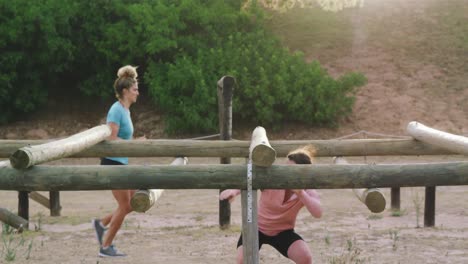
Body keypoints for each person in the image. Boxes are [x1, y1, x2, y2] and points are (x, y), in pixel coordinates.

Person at [220, 146, 322, 264]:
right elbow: (252, 179)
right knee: (242, 260)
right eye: (285, 168)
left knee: (305, 258)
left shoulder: (307, 188)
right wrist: (234, 191)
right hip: (256, 228)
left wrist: (300, 192)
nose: (285, 173)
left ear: (303, 174)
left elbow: (318, 213)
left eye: (291, 170)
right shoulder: (274, 178)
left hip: (283, 231)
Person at [92, 65, 144, 258]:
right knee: (125, 206)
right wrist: (135, 143)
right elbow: (111, 139)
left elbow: (123, 139)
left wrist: (135, 143)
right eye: (135, 89)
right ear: (125, 91)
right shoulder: (116, 110)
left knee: (130, 205)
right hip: (113, 163)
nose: (138, 92)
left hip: (121, 163)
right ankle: (106, 247)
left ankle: (101, 223)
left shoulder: (126, 110)